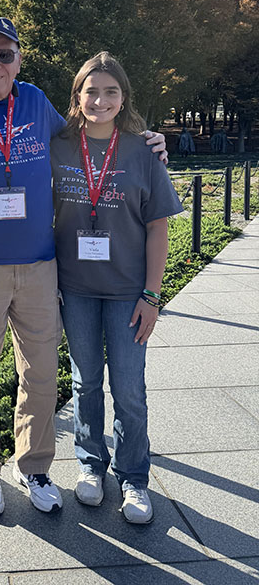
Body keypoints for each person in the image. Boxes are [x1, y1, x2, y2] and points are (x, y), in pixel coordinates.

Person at [0, 15, 167, 517]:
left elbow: (92, 132)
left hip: (40, 266)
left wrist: (147, 139)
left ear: (19, 58)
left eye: (5, 54)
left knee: (42, 374)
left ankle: (35, 466)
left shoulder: (36, 103)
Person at [51, 52, 182, 524]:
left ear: (123, 97)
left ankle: (134, 478)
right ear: (77, 96)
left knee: (128, 389)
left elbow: (159, 228)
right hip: (76, 289)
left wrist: (152, 295)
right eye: (91, 91)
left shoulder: (143, 152)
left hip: (128, 292)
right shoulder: (58, 145)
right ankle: (90, 464)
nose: (100, 100)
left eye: (110, 91)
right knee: (85, 382)